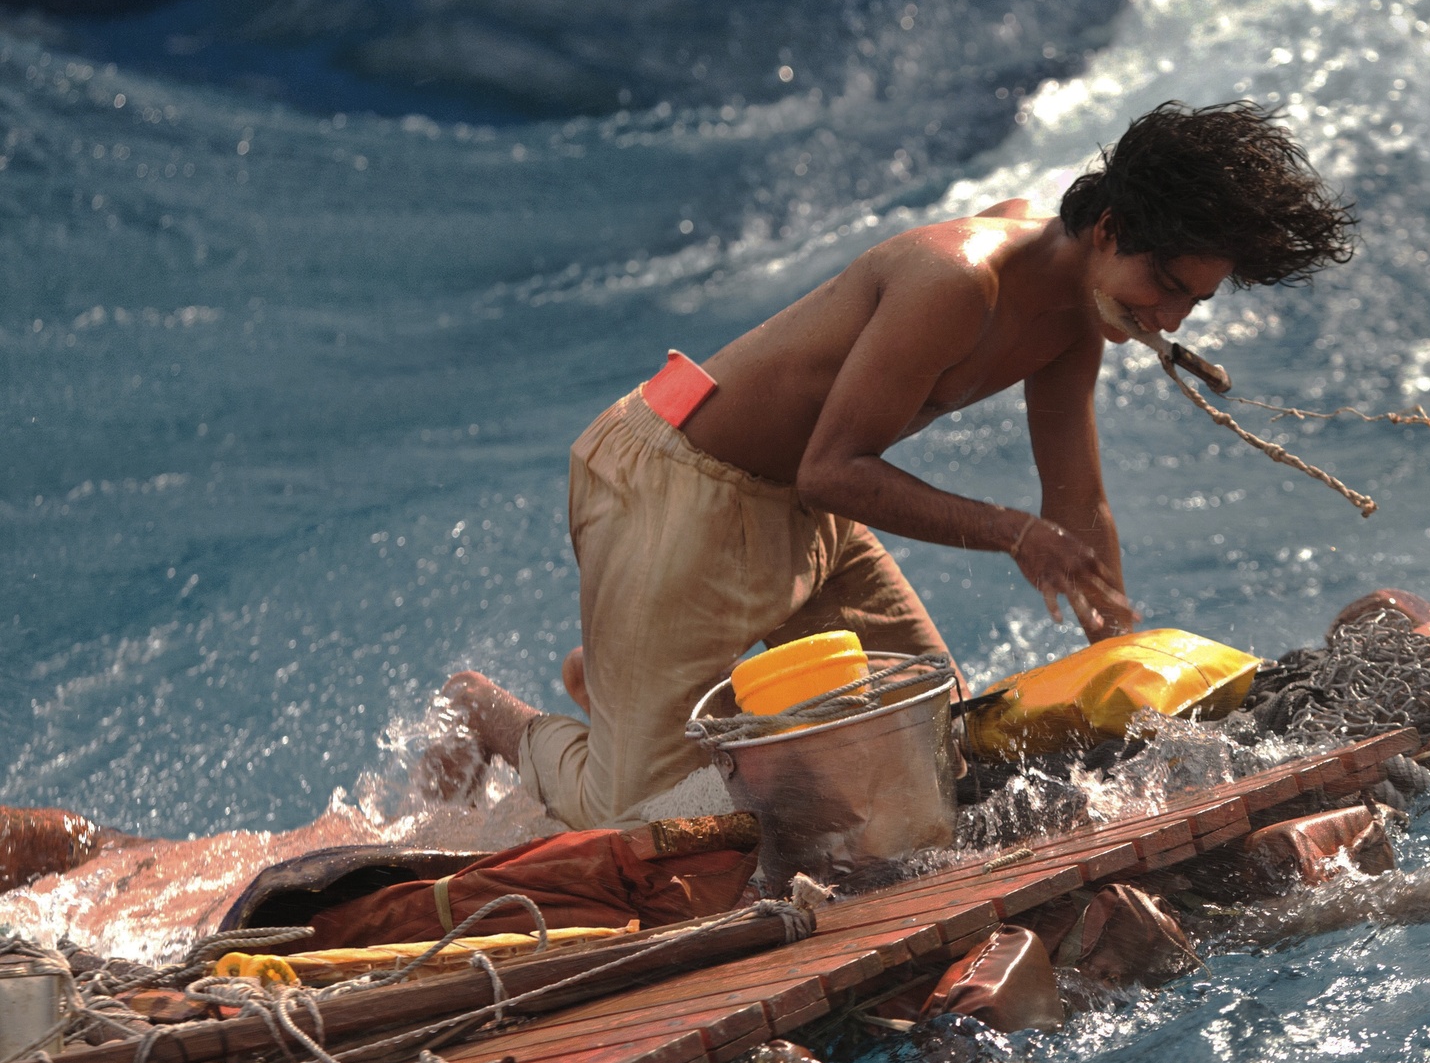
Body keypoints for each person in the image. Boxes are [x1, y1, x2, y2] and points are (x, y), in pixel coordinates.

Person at [428, 100, 1356, 829]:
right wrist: (1012, 537)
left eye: (1194, 301)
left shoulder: (1082, 315)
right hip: (675, 486)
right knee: (636, 820)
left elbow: (1078, 507)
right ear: (1110, 228)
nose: (1173, 320)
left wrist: (1133, 677)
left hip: (802, 512)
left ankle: (627, 675)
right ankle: (496, 714)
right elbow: (835, 469)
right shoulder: (956, 279)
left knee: (928, 753)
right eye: (1167, 287)